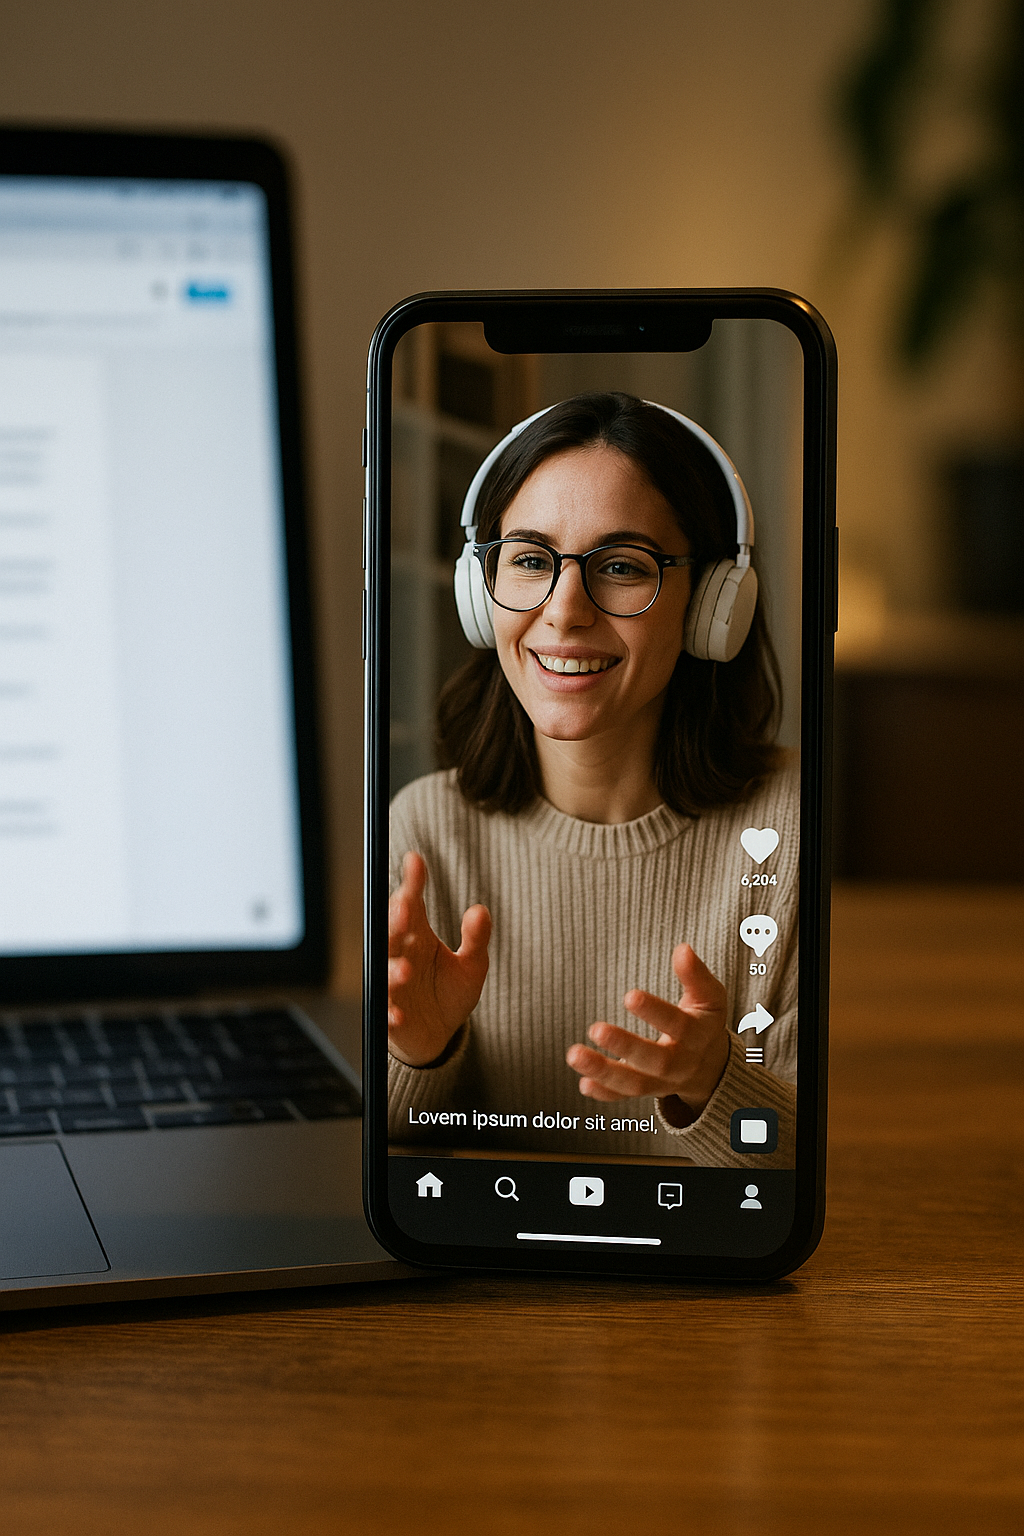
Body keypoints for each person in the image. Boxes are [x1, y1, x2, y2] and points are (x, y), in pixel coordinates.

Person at [387, 392, 797, 1168]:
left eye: (620, 566)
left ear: (714, 603)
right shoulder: (425, 830)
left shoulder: (785, 829)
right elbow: (398, 1162)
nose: (564, 610)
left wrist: (716, 1085)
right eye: (532, 561)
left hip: (703, 1274)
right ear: (482, 592)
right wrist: (420, 1055)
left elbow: (792, 1168)